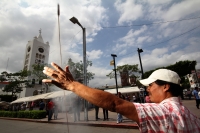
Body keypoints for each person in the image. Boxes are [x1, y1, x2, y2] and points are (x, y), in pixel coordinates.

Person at [42, 63, 200, 132]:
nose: (147, 89)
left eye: (151, 85)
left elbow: (114, 104)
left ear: (166, 87)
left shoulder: (163, 112)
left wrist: (72, 85)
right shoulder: (192, 117)